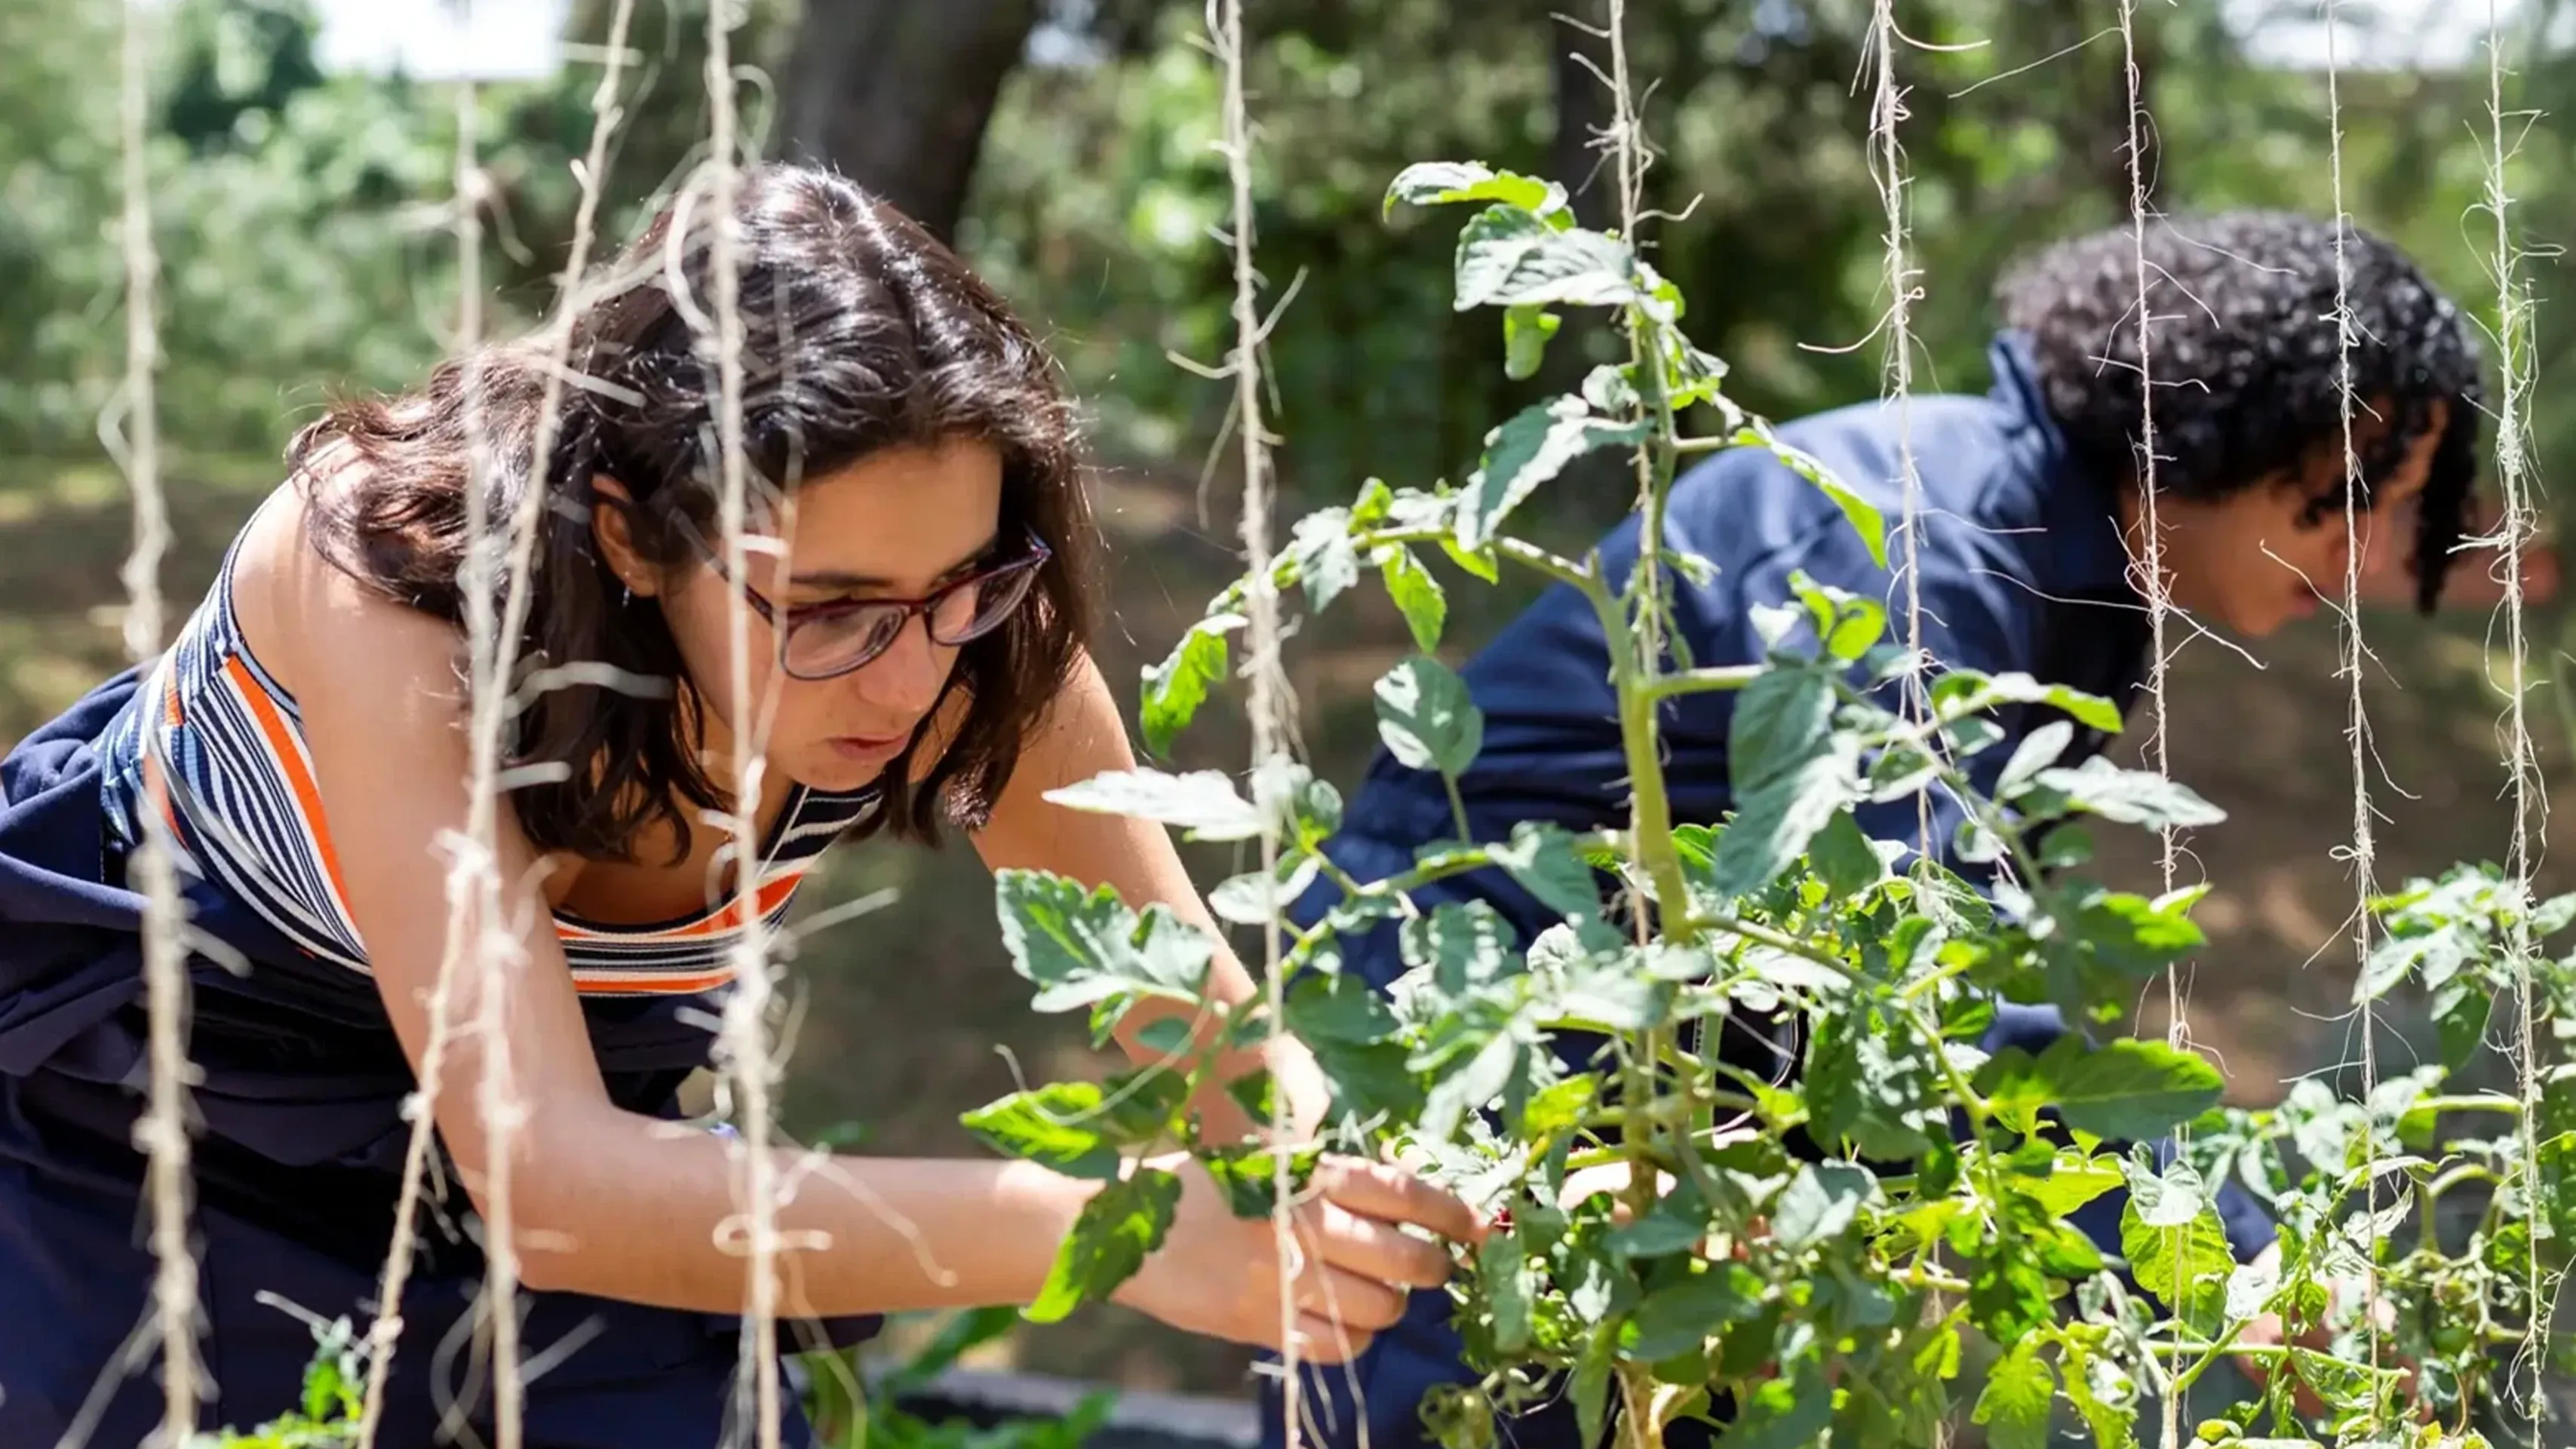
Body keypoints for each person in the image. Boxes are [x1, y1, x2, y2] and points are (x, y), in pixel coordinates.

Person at [0, 164, 1487, 1449]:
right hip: (135, 1129)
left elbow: (1205, 1033)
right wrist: (1099, 1234)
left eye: (958, 588)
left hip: (570, 1123)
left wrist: (1459, 1171)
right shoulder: (397, 598)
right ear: (631, 538)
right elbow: (554, 1185)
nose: (911, 678)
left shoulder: (968, 644)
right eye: (829, 609)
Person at [1259, 210, 2544, 1449]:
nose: (2370, 547)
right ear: (2238, 417)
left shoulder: (2059, 567)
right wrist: (2242, 1268)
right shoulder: (1931, 544)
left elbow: (1972, 954)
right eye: (2364, 485)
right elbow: (1938, 989)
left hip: (1666, 1133)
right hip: (1454, 1069)